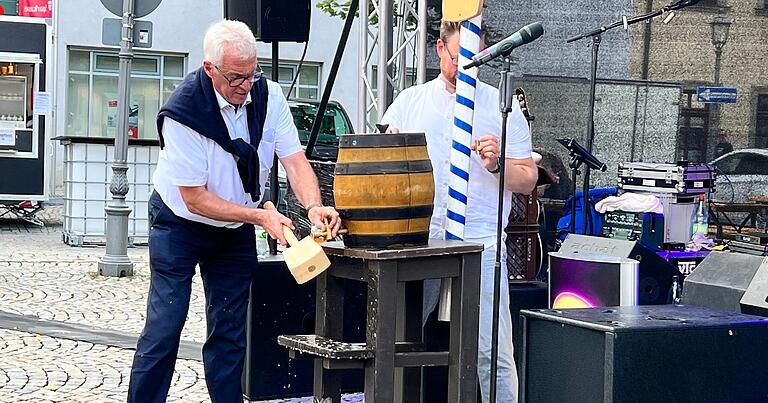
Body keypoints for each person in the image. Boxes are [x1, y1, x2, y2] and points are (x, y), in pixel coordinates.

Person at [127, 20, 340, 402]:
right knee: (164, 329)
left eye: (251, 74)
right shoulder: (182, 113)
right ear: (210, 69)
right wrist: (260, 217)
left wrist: (314, 206)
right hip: (179, 225)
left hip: (235, 227)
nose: (245, 86)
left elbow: (294, 160)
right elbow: (195, 198)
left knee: (229, 333)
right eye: (236, 78)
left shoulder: (269, 96)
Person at [381, 20, 538, 403]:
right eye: (459, 57)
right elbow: (382, 161)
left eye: (476, 59)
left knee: (492, 349)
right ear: (439, 49)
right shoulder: (410, 100)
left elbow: (528, 179)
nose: (467, 66)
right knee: (398, 341)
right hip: (422, 236)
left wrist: (497, 163)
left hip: (481, 241)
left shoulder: (501, 108)